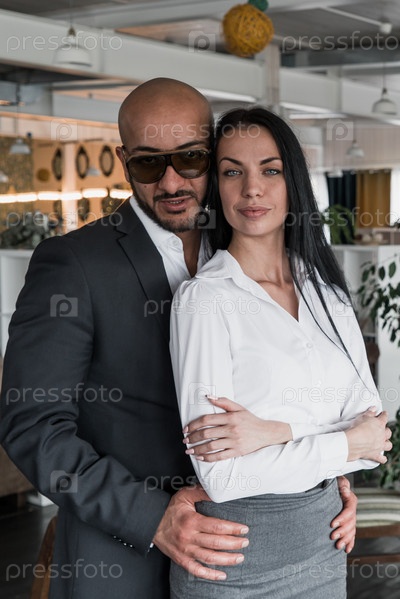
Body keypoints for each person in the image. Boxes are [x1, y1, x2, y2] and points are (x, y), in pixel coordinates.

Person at [0, 80, 357, 599]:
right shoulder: (74, 264)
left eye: (190, 158)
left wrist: (324, 476)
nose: (171, 181)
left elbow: (301, 389)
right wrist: (152, 517)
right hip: (122, 559)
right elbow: (32, 424)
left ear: (213, 153)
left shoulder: (248, 252)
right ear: (123, 161)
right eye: (148, 163)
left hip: (246, 557)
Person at [169, 107, 392, 598]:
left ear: (293, 181)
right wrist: (342, 442)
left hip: (325, 544)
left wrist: (276, 432)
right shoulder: (204, 300)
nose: (253, 189)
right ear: (216, 187)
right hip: (233, 563)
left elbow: (375, 437)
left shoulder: (328, 294)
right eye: (233, 172)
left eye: (270, 170)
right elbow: (223, 476)